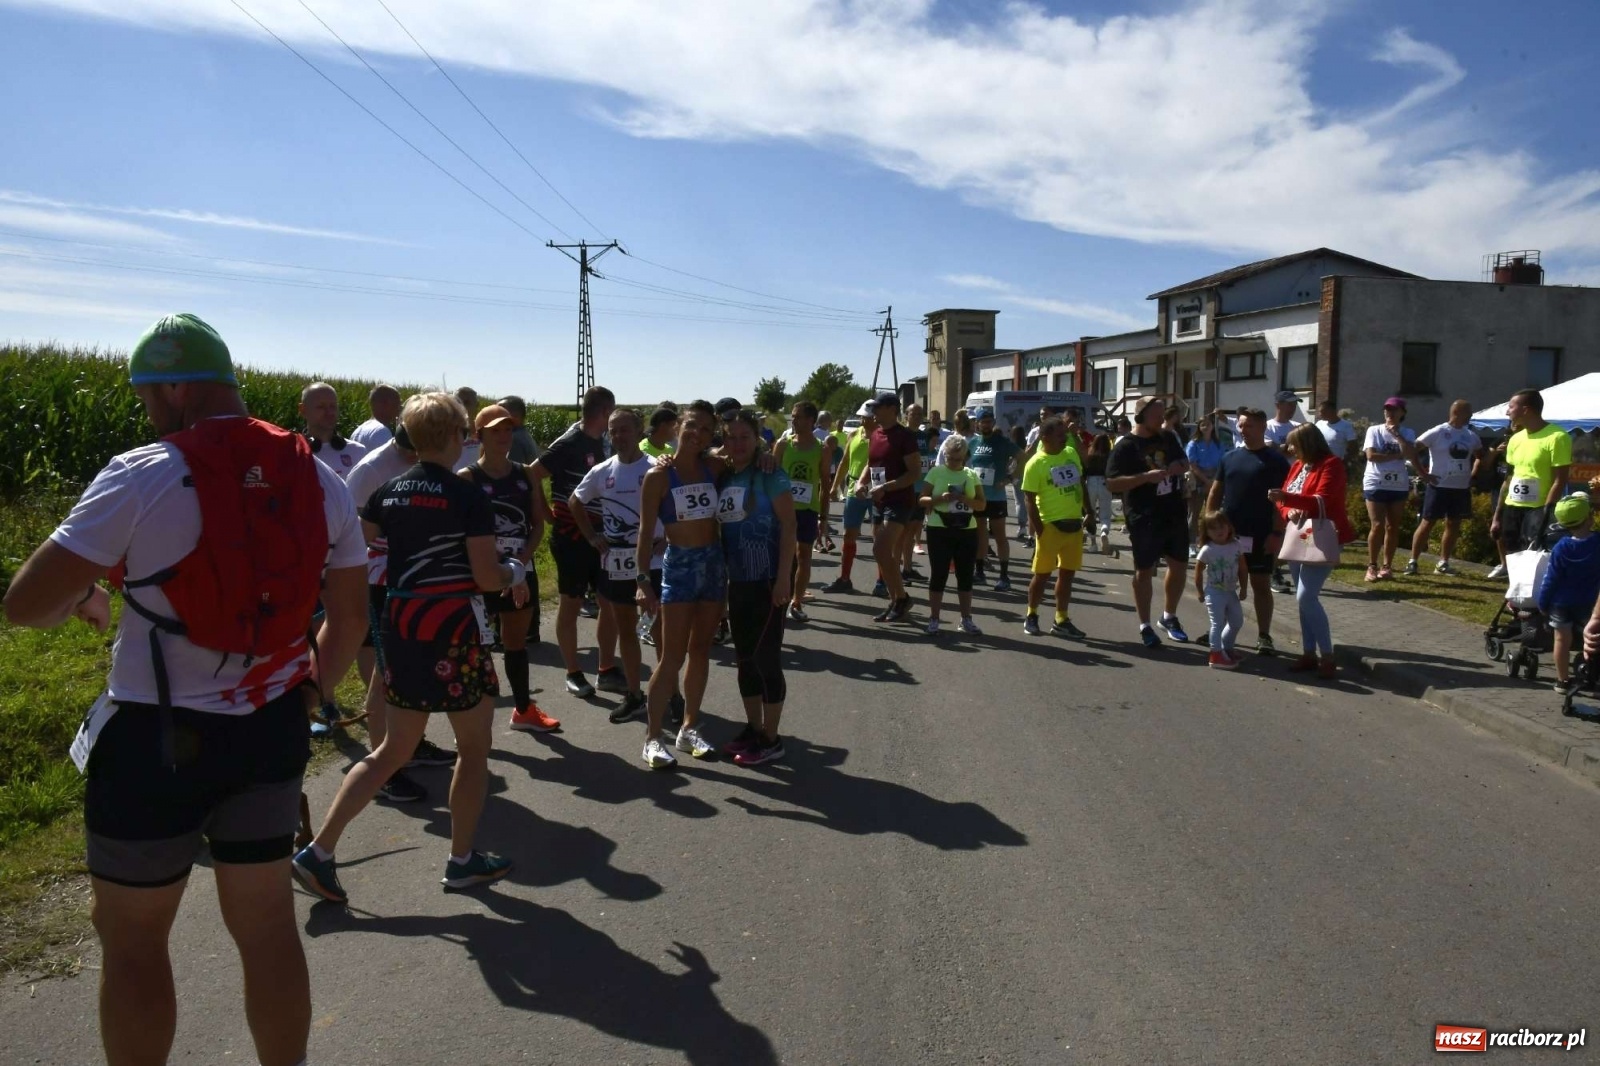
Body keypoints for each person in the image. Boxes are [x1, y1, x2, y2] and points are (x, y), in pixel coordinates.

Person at [3, 313, 368, 1066]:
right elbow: (352, 616)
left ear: (173, 388)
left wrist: (78, 598)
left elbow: (25, 606)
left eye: (146, 395)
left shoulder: (142, 472)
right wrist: (310, 692)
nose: (146, 411)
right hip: (269, 730)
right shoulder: (320, 476)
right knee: (267, 924)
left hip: (152, 739)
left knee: (133, 938)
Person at [340, 423, 451, 803]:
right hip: (379, 580)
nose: (415, 460)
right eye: (411, 454)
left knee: (409, 669)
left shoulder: (422, 463)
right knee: (382, 676)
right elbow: (351, 535)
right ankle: (383, 769)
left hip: (413, 578)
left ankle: (410, 744)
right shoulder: (371, 470)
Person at [635, 407, 726, 769]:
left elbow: (747, 454)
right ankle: (652, 737)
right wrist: (642, 582)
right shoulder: (659, 475)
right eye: (692, 426)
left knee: (701, 650)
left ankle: (689, 727)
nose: (698, 434)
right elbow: (644, 535)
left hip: (713, 566)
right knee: (672, 656)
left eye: (706, 429)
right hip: (680, 566)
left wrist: (766, 459)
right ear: (678, 427)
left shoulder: (716, 468)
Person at [462, 404, 559, 734]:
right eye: (495, 431)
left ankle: (522, 710)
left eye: (508, 430)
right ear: (480, 437)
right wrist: (493, 566)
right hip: (481, 571)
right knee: (475, 647)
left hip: (519, 569)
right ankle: (473, 720)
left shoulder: (525, 473)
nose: (504, 436)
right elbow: (463, 533)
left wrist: (518, 565)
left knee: (515, 641)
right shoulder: (468, 478)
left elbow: (536, 525)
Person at [716, 410, 798, 766]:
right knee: (744, 660)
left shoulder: (770, 472)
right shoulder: (723, 472)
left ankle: (772, 737)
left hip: (767, 579)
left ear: (757, 438)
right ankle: (753, 727)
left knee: (767, 659)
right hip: (738, 579)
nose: (737, 444)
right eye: (730, 437)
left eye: (744, 437)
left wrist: (784, 578)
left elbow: (790, 526)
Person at [530, 386, 623, 698]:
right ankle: (573, 672)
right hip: (571, 538)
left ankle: (606, 669)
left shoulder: (604, 443)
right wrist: (545, 514)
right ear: (605, 412)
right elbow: (532, 475)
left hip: (603, 536)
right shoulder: (569, 442)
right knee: (571, 603)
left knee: (608, 603)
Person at [570, 408, 661, 725]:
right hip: (617, 561)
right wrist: (592, 536)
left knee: (661, 634)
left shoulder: (655, 467)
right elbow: (575, 501)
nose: (619, 436)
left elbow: (676, 508)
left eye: (625, 429)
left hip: (656, 560)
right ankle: (635, 695)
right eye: (613, 431)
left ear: (639, 431)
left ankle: (670, 695)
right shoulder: (603, 470)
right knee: (627, 632)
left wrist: (668, 539)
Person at [1269, 423, 1356, 678]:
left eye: (1294, 443)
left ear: (1307, 443)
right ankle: (1308, 653)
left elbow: (1324, 500)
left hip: (1322, 535)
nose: (1290, 448)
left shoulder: (1331, 464)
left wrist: (1286, 499)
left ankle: (1327, 656)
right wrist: (1287, 509)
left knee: (1306, 597)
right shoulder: (1297, 466)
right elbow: (1286, 502)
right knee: (1302, 598)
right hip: (1298, 534)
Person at [1106, 398, 1191, 648]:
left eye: (1162, 414)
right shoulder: (1126, 446)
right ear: (1140, 417)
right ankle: (1145, 625)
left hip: (1174, 510)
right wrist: (1145, 478)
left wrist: (1178, 466)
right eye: (1156, 415)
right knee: (1144, 570)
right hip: (1144, 515)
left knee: (1179, 565)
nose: (1161, 419)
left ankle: (1169, 616)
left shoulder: (1168, 437)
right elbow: (1111, 483)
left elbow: (1185, 462)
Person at [1205, 409, 1290, 656]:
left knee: (1260, 584)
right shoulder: (1229, 457)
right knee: (1222, 585)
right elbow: (1215, 493)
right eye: (1241, 426)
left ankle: (1264, 635)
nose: (1243, 430)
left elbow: (1284, 501)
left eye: (1249, 426)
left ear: (1263, 428)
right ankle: (1218, 631)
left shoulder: (1275, 461)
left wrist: (1277, 533)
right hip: (1229, 535)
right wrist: (1208, 525)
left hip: (1262, 534)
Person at [1022, 415, 1093, 638]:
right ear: (1045, 437)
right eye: (1060, 435)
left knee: (1067, 575)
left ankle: (1061, 619)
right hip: (1050, 526)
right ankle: (1031, 615)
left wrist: (1089, 511)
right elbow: (1029, 500)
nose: (1065, 439)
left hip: (1073, 525)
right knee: (1041, 575)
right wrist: (1040, 530)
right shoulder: (1036, 463)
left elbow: (1081, 483)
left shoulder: (1070, 454)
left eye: (1066, 435)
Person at [1489, 388, 1572, 579]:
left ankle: (1533, 601)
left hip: (1538, 508)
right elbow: (1509, 478)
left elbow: (1560, 478)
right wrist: (1497, 515)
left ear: (1526, 410)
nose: (1507, 412)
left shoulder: (1557, 437)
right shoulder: (1515, 439)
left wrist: (1547, 511)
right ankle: (1517, 597)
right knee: (1513, 554)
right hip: (1512, 506)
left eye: (1511, 407)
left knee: (1534, 556)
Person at [857, 391, 923, 622]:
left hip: (899, 501)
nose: (873, 411)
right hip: (878, 500)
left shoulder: (905, 436)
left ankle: (901, 598)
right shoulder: (875, 433)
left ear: (892, 409)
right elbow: (870, 463)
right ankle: (897, 600)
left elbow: (914, 473)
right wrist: (860, 482)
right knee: (882, 553)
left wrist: (887, 486)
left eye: (878, 407)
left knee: (881, 549)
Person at [1407, 399, 1484, 576]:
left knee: (1453, 523)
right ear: (1457, 412)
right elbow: (1413, 450)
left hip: (1460, 487)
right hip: (1439, 485)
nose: (1471, 416)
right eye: (1468, 412)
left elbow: (1480, 455)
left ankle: (1443, 562)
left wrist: (1473, 474)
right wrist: (1423, 473)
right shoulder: (1439, 431)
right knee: (1428, 522)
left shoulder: (1471, 435)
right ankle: (1413, 561)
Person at [920, 434, 985, 635]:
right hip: (939, 527)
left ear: (965, 457)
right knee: (938, 574)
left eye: (959, 459)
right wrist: (940, 498)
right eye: (951, 458)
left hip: (966, 529)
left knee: (965, 575)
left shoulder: (971, 475)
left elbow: (982, 505)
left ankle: (966, 619)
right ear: (945, 455)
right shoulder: (936, 472)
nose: (955, 462)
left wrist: (965, 499)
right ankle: (934, 618)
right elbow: (922, 499)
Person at [1538, 494, 1600, 695]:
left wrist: (1543, 602)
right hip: (1590, 603)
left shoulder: (1561, 547)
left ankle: (1562, 680)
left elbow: (1551, 579)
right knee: (1591, 641)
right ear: (1589, 518)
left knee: (1561, 640)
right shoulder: (1597, 543)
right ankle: (1592, 677)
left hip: (1561, 603)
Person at [774, 400, 828, 621]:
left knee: (803, 556)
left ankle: (796, 602)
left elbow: (825, 484)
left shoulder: (821, 449)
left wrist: (824, 517)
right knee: (781, 556)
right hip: (782, 510)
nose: (793, 420)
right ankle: (778, 597)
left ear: (810, 420)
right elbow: (771, 477)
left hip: (807, 510)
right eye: (793, 417)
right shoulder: (783, 445)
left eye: (798, 417)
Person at [1361, 396, 1422, 581]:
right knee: (1377, 525)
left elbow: (1411, 454)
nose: (1389, 413)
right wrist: (1398, 455)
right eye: (1387, 409)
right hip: (1375, 482)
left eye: (1394, 410)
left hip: (1398, 485)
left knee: (1392, 526)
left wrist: (1397, 436)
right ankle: (1372, 565)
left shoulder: (1408, 433)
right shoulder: (1374, 430)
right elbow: (1371, 456)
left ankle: (1387, 566)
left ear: (1402, 413)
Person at [824, 400, 875, 593]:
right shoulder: (853, 435)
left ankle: (882, 581)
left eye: (867, 417)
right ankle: (844, 578)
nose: (863, 420)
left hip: (877, 489)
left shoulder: (882, 436)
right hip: (854, 489)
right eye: (862, 416)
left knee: (879, 538)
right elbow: (844, 462)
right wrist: (835, 486)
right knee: (848, 535)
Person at [967, 407, 1019, 591]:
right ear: (977, 423)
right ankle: (979, 572)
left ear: (993, 422)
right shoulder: (973, 443)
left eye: (989, 421)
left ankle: (1004, 576)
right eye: (983, 421)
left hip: (997, 497)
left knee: (1000, 536)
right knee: (980, 535)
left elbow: (1024, 458)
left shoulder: (1002, 442)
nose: (986, 424)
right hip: (978, 496)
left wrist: (1010, 478)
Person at [1194, 509, 1249, 669]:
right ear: (1206, 532)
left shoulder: (1236, 545)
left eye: (1221, 526)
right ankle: (1216, 654)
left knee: (1237, 621)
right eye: (1213, 528)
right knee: (1217, 623)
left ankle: (1227, 647)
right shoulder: (1208, 549)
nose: (1219, 531)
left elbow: (1243, 568)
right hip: (1214, 592)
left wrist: (1244, 588)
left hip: (1230, 591)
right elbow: (1198, 571)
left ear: (1229, 527)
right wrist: (1200, 591)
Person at [300, 380, 368, 480]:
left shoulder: (358, 452)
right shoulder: (292, 454)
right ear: (303, 410)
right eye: (321, 407)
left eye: (333, 406)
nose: (329, 412)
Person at [1184, 417, 1223, 556]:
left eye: (1208, 424)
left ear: (1212, 426)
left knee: (1212, 514)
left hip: (1214, 478)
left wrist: (1214, 480)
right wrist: (1206, 481)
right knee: (1193, 513)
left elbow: (1221, 463)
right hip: (1198, 479)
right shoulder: (1193, 444)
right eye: (1202, 425)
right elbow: (1192, 465)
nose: (1205, 427)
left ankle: (1208, 542)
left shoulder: (1218, 444)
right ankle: (1191, 544)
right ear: (1199, 427)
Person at [1083, 433, 1116, 555]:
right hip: (1105, 483)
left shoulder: (1090, 454)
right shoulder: (1110, 455)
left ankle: (1093, 542)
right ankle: (1103, 531)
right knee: (1105, 514)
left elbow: (1084, 470)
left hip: (1091, 482)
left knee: (1090, 512)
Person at [351, 382, 401, 449]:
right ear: (385, 404)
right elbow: (387, 459)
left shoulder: (357, 431)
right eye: (397, 403)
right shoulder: (382, 432)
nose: (399, 408)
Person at [498, 395, 542, 464]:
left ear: (514, 416)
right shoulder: (524, 435)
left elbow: (512, 472)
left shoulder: (513, 440)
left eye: (499, 412)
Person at [1009, 424, 1032, 546]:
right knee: (1029, 501)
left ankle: (1022, 526)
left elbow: (1011, 464)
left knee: (1019, 502)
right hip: (1028, 476)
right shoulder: (1027, 447)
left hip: (1016, 477)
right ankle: (1030, 527)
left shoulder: (1012, 448)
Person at [454, 386, 482, 468]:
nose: (461, 406)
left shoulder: (486, 432)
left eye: (466, 403)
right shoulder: (445, 433)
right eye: (457, 402)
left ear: (477, 406)